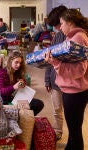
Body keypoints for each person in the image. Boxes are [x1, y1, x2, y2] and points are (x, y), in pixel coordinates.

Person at [45, 9, 88, 150]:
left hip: (75, 91)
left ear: (69, 22)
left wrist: (55, 63)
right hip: (73, 90)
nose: (60, 27)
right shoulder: (73, 37)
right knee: (73, 130)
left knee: (75, 132)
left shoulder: (78, 38)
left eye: (62, 23)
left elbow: (78, 71)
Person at [0, 51, 44, 116]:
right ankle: (21, 115)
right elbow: (0, 92)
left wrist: (23, 83)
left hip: (15, 98)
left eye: (20, 63)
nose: (18, 65)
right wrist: (14, 87)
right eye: (16, 62)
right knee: (27, 107)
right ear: (10, 61)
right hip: (5, 101)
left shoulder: (17, 72)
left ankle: (24, 116)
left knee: (39, 104)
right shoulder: (2, 72)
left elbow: (23, 82)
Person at [44, 5, 67, 141]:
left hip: (71, 82)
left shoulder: (77, 37)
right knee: (57, 110)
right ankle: (58, 131)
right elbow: (49, 59)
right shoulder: (57, 36)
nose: (57, 28)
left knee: (71, 113)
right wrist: (47, 80)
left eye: (58, 24)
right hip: (55, 81)